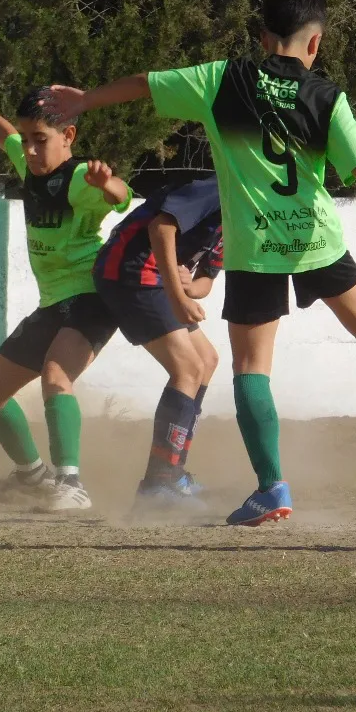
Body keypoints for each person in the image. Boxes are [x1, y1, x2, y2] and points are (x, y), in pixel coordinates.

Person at [40, 0, 356, 527]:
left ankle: (272, 488)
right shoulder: (326, 96)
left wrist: (84, 102)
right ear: (316, 43)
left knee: (250, 367)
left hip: (256, 250)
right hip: (316, 240)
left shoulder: (222, 79)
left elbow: (145, 86)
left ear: (264, 39)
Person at [0, 63, 131, 510]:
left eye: (42, 140)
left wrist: (107, 183)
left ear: (69, 137)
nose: (32, 150)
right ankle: (32, 476)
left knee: (57, 378)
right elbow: (1, 131)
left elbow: (122, 196)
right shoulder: (28, 159)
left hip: (92, 299)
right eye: (30, 140)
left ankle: (71, 484)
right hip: (54, 303)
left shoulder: (80, 178)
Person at [93, 176, 222, 505]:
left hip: (154, 277)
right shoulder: (218, 188)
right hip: (128, 269)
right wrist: (178, 295)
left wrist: (188, 287)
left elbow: (206, 278)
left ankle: (173, 472)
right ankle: (158, 483)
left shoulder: (250, 212)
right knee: (189, 368)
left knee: (206, 361)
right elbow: (160, 228)